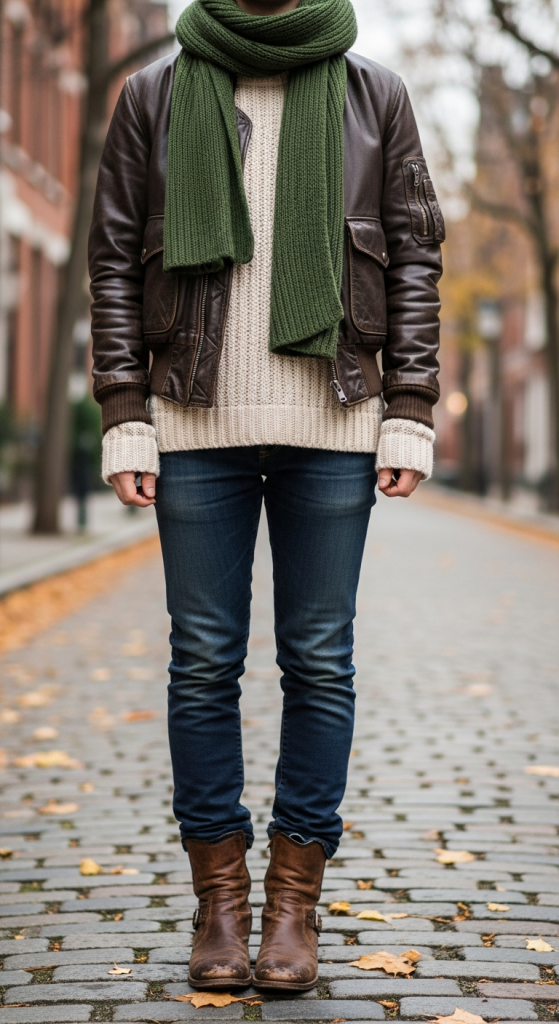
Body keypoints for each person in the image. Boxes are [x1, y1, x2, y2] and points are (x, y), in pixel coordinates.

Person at [89, 0, 443, 994]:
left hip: (333, 420)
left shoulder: (376, 94)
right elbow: (113, 259)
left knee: (318, 659)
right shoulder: (152, 94)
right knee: (201, 660)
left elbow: (416, 256)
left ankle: (293, 903)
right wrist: (124, 405)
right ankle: (221, 900)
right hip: (190, 421)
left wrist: (410, 402)